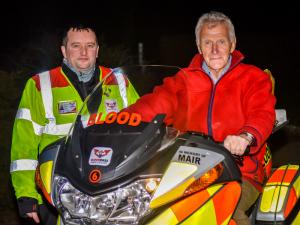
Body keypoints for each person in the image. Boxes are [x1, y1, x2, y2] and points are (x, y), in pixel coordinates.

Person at [126, 11, 275, 225]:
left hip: (238, 171)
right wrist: (117, 121)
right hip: (184, 170)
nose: (214, 50)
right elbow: (154, 104)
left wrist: (245, 136)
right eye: (207, 42)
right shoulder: (183, 79)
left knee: (228, 212)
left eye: (221, 41)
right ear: (199, 46)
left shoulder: (253, 78)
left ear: (232, 44)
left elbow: (262, 113)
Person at [10, 24, 139, 224]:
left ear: (97, 50)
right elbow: (23, 148)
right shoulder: (40, 85)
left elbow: (141, 126)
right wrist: (26, 195)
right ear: (64, 50)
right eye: (76, 46)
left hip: (112, 188)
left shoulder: (118, 81)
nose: (84, 52)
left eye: (90, 45)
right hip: (58, 191)